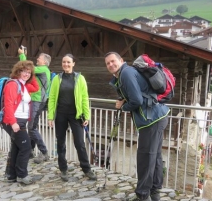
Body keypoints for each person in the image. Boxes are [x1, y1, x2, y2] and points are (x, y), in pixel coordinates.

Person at [104, 52, 169, 201]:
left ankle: (143, 195)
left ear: (121, 60)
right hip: (156, 117)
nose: (110, 65)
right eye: (107, 63)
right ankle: (155, 191)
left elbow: (137, 101)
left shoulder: (126, 73)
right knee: (155, 156)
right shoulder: (125, 74)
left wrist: (123, 106)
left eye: (113, 61)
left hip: (151, 120)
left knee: (146, 157)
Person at [47, 53, 97, 181]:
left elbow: (85, 98)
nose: (66, 64)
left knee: (80, 142)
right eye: (64, 62)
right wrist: (50, 116)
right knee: (61, 142)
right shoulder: (56, 79)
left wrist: (87, 116)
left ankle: (87, 169)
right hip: (61, 115)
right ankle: (63, 169)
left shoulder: (80, 78)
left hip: (76, 115)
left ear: (73, 64)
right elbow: (52, 98)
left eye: (68, 62)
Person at [1, 60, 39, 184]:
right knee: (26, 147)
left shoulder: (24, 85)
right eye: (24, 71)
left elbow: (36, 87)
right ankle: (22, 175)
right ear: (18, 71)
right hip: (14, 121)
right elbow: (8, 104)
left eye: (29, 72)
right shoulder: (13, 84)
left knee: (17, 147)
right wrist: (13, 122)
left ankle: (11, 175)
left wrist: (30, 75)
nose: (26, 74)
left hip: (20, 121)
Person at [18, 47, 51, 164]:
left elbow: (28, 68)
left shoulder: (43, 69)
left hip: (37, 101)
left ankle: (44, 152)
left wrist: (22, 55)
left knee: (31, 128)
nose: (37, 59)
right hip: (38, 101)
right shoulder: (43, 70)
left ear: (45, 62)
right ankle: (31, 151)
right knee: (33, 127)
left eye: (39, 58)